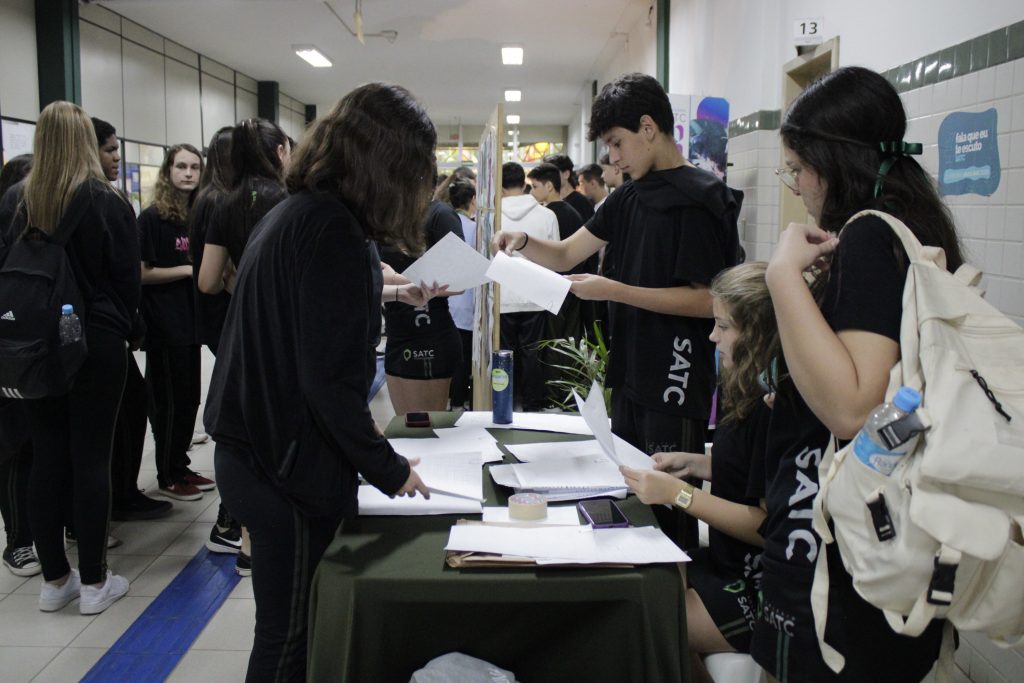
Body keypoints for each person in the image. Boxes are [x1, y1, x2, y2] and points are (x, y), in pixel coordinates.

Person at [204, 82, 432, 683]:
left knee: (285, 629)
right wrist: (389, 467)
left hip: (256, 449)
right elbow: (327, 382)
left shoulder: (301, 212)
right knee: (289, 636)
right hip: (280, 466)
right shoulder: (329, 228)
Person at [752, 66, 958, 682]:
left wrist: (782, 277)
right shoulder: (920, 225)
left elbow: (853, 407)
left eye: (797, 168)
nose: (798, 185)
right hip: (896, 530)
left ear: (829, 162)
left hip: (849, 540)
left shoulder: (870, 235)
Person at [494, 73, 742, 548]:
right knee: (628, 491)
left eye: (616, 143)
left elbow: (709, 299)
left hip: (676, 373)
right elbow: (567, 254)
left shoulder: (701, 198)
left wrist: (615, 290)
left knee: (670, 508)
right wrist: (523, 242)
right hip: (629, 370)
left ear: (649, 127)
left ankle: (675, 606)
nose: (612, 158)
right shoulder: (627, 197)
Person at [0, 101, 139, 613]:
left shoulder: (16, 200)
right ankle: (96, 582)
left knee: (46, 456)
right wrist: (128, 328)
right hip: (95, 343)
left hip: (32, 346)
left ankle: (54, 581)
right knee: (91, 458)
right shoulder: (106, 201)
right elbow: (127, 282)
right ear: (85, 141)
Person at [621, 262, 774, 683]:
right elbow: (749, 471)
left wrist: (679, 495)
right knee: (649, 582)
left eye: (723, 327)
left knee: (649, 619)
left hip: (761, 584)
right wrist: (694, 463)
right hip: (728, 563)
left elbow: (767, 525)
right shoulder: (744, 384)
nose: (712, 337)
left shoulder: (776, 409)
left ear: (758, 333)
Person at [84, 118, 174, 523]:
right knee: (120, 416)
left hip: (77, 332)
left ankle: (109, 499)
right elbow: (124, 274)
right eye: (108, 150)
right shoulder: (104, 202)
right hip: (102, 333)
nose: (117, 157)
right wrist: (132, 325)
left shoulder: (46, 198)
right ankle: (113, 499)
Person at [139, 143, 209, 501]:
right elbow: (141, 273)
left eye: (195, 167)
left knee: (188, 400)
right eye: (181, 166)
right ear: (168, 171)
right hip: (164, 326)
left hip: (190, 325)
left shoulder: (197, 215)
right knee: (167, 403)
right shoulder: (152, 218)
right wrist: (186, 270)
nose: (188, 173)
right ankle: (167, 474)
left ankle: (180, 464)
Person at [380, 186, 464, 415]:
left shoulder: (440, 215)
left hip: (429, 337)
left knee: (425, 433)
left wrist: (397, 279)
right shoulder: (385, 215)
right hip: (397, 336)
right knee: (407, 432)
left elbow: (459, 281)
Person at [198, 118, 289, 297]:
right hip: (286, 315)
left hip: (245, 317)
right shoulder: (291, 202)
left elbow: (207, 282)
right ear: (280, 152)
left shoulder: (225, 204)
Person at [498, 162, 561, 411]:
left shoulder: (492, 216)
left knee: (504, 355)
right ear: (523, 183)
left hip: (502, 296)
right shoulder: (546, 215)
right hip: (536, 294)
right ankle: (534, 405)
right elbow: (556, 257)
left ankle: (504, 404)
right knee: (534, 355)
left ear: (499, 184)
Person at [446, 176, 477, 409]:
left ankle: (449, 399)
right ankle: (459, 401)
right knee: (463, 357)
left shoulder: (443, 221)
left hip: (444, 298)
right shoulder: (475, 228)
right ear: (473, 201)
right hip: (467, 300)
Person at [543, 153, 595, 224]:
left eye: (552, 174)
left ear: (566, 174)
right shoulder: (550, 202)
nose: (547, 178)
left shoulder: (581, 203)